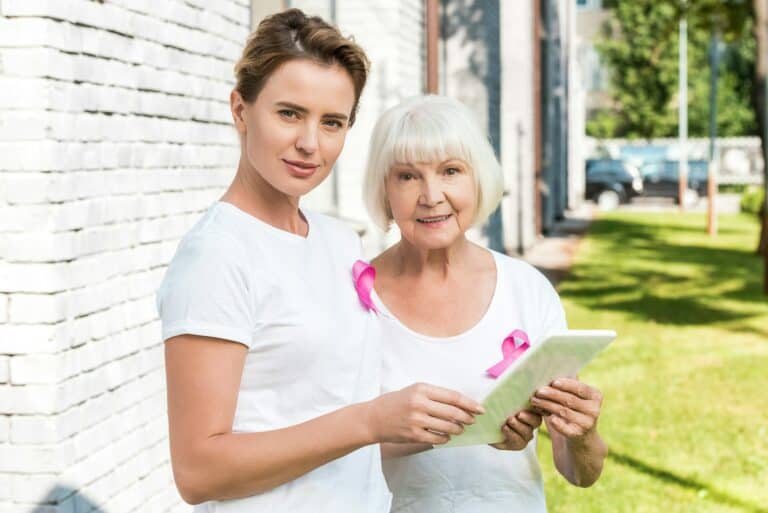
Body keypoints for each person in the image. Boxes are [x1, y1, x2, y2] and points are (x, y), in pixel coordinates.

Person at [157, 11, 484, 512]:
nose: (311, 143)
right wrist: (371, 419)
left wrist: (462, 421)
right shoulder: (217, 257)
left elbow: (338, 431)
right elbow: (199, 472)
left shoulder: (337, 241)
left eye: (332, 122)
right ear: (240, 110)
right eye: (290, 113)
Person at [361, 95, 609, 513]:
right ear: (385, 191)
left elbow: (580, 473)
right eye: (407, 176)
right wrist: (446, 430)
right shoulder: (353, 297)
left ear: (478, 181)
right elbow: (322, 447)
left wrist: (583, 434)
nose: (431, 195)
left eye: (451, 171)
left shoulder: (527, 290)